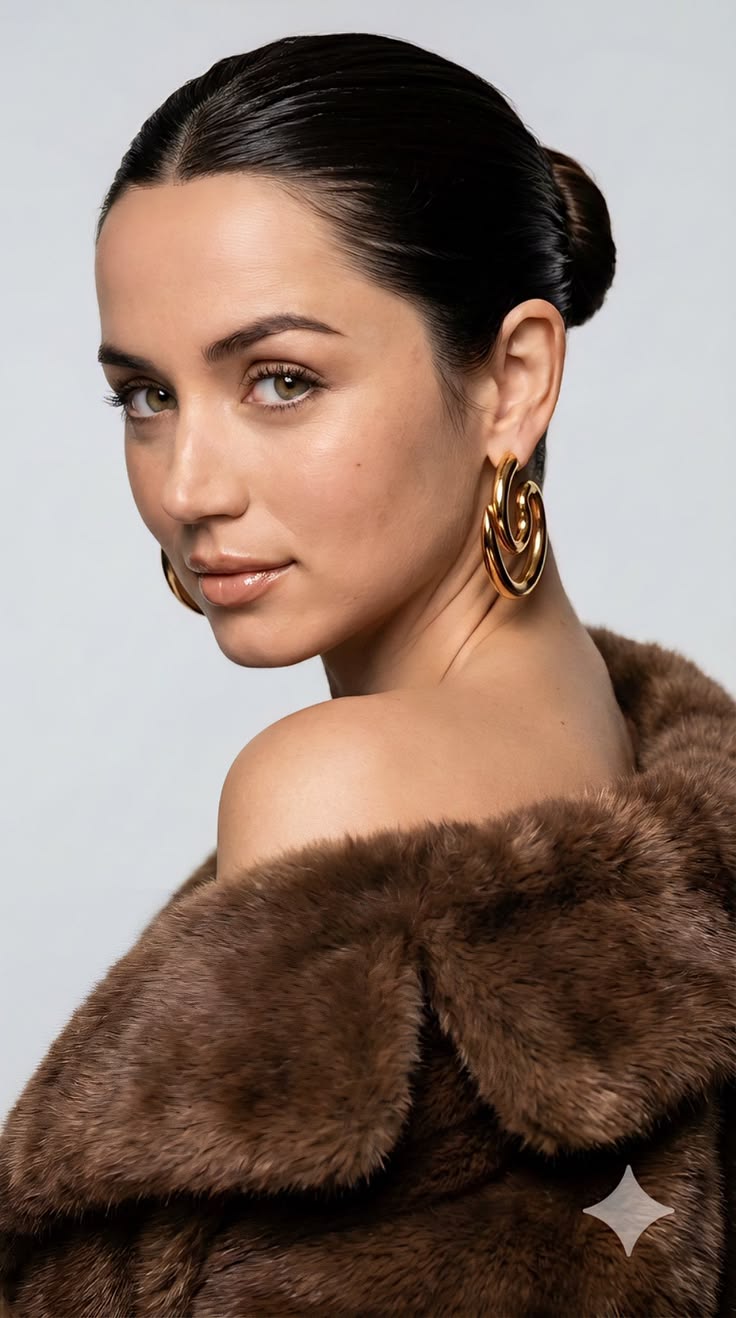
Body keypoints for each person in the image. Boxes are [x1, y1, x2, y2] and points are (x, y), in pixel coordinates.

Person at [1, 31, 734, 1317]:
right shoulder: (615, 737)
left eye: (280, 380)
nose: (187, 486)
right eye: (146, 396)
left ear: (512, 381)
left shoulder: (330, 781)